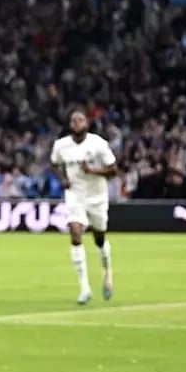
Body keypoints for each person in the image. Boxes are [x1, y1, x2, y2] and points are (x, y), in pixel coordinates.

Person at [50, 109, 116, 304]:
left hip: (97, 197)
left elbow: (114, 169)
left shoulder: (98, 144)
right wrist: (62, 178)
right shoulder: (61, 145)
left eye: (80, 120)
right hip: (75, 196)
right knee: (76, 233)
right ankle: (84, 288)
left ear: (87, 123)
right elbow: (54, 163)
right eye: (73, 120)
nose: (76, 123)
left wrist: (93, 170)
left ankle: (107, 271)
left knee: (99, 237)